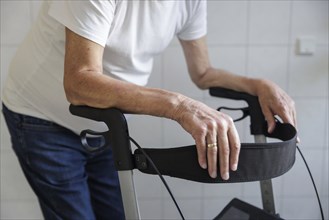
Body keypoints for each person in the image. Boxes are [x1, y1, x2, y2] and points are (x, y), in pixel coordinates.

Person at [2, 1, 297, 219]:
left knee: (116, 214)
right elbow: (79, 82)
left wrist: (257, 85)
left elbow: (203, 72)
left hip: (104, 123)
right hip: (40, 116)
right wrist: (180, 106)